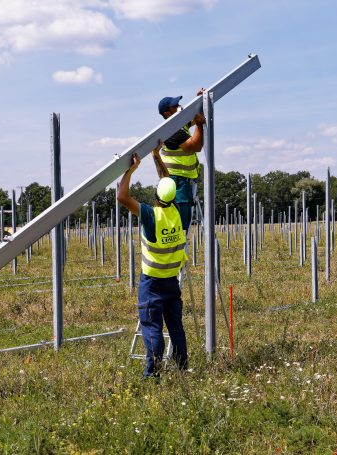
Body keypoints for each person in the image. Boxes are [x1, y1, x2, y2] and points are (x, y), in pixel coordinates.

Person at [117, 147, 188, 377]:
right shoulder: (176, 212)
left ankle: (153, 373)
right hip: (171, 282)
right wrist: (157, 156)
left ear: (156, 195)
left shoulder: (151, 216)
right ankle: (181, 369)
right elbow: (167, 181)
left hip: (152, 283)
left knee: (152, 329)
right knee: (176, 328)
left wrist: (130, 170)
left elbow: (122, 197)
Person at [157, 90, 206, 232]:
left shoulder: (179, 125)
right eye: (175, 106)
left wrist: (199, 101)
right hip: (176, 182)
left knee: (183, 219)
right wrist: (199, 125)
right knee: (181, 224)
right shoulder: (171, 131)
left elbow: (192, 116)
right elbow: (195, 147)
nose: (179, 105)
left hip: (182, 180)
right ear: (167, 113)